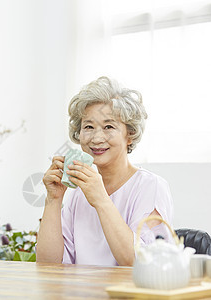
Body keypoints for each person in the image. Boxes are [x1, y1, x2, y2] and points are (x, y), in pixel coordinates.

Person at [36, 76, 174, 266]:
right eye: (88, 127)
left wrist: (100, 199)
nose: (97, 137)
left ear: (130, 135)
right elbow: (48, 266)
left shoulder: (151, 187)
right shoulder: (78, 192)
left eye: (109, 126)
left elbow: (140, 263)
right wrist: (53, 200)